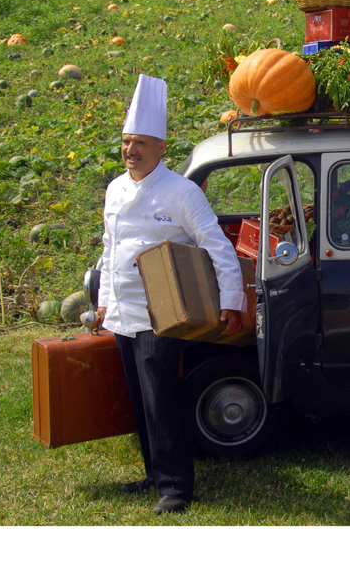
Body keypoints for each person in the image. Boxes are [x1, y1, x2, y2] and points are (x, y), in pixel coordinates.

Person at [93, 74, 247, 515]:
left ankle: (176, 486)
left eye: (140, 143)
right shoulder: (115, 189)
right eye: (126, 142)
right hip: (123, 309)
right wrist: (105, 298)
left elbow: (217, 246)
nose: (130, 150)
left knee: (162, 395)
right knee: (140, 397)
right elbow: (109, 248)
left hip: (164, 311)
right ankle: (153, 473)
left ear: (161, 148)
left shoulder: (182, 192)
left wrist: (231, 302)